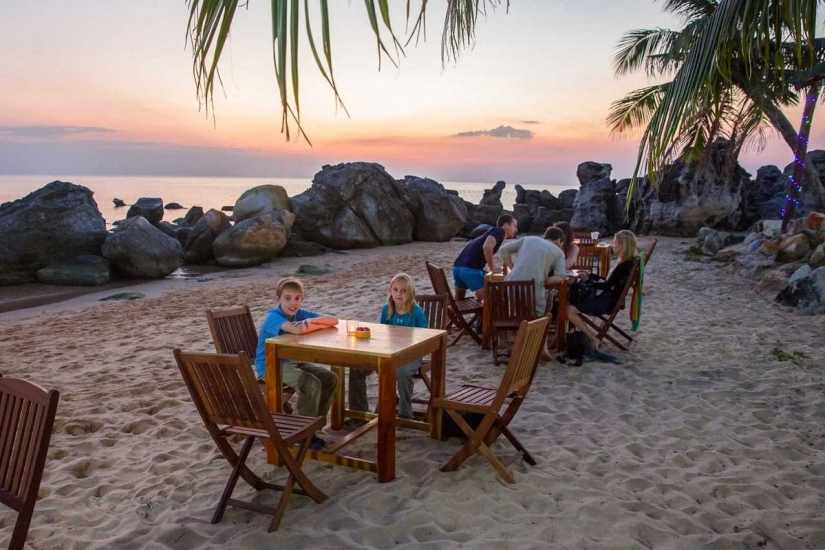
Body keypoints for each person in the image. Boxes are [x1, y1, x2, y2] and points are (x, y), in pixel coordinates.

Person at [254, 277, 339, 449]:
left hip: (291, 362)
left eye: (297, 298)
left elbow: (333, 320)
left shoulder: (298, 313)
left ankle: (313, 427)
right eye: (287, 298)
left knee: (331, 378)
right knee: (311, 383)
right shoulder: (273, 316)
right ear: (277, 299)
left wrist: (309, 323)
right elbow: (297, 329)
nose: (293, 303)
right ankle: (301, 434)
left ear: (302, 299)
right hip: (271, 366)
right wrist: (308, 325)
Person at [348, 273, 429, 420]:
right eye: (396, 289)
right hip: (387, 354)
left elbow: (425, 337)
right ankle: (358, 413)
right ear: (390, 291)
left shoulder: (416, 312)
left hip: (410, 356)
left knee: (402, 372)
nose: (399, 294)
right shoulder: (387, 309)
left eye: (404, 290)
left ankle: (405, 412)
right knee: (356, 368)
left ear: (411, 293)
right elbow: (383, 334)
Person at [567, 230, 638, 349]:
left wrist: (586, 283)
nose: (613, 245)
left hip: (607, 302)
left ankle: (593, 338)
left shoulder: (624, 265)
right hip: (611, 299)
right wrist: (590, 277)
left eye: (615, 243)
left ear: (622, 245)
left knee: (569, 309)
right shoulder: (628, 263)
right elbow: (610, 282)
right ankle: (594, 337)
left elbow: (606, 286)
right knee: (575, 299)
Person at [499, 226, 568, 317]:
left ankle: (520, 328)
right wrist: (544, 280)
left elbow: (503, 249)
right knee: (539, 315)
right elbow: (561, 276)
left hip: (510, 286)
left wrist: (513, 268)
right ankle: (535, 329)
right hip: (533, 289)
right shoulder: (559, 252)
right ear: (559, 241)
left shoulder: (528, 239)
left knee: (517, 313)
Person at [453, 214, 518, 301]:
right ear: (506, 226)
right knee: (493, 299)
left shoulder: (490, 233)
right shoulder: (500, 231)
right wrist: (493, 269)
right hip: (470, 270)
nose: (516, 230)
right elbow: (487, 246)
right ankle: (481, 309)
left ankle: (448, 314)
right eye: (514, 226)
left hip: (457, 268)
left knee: (458, 300)